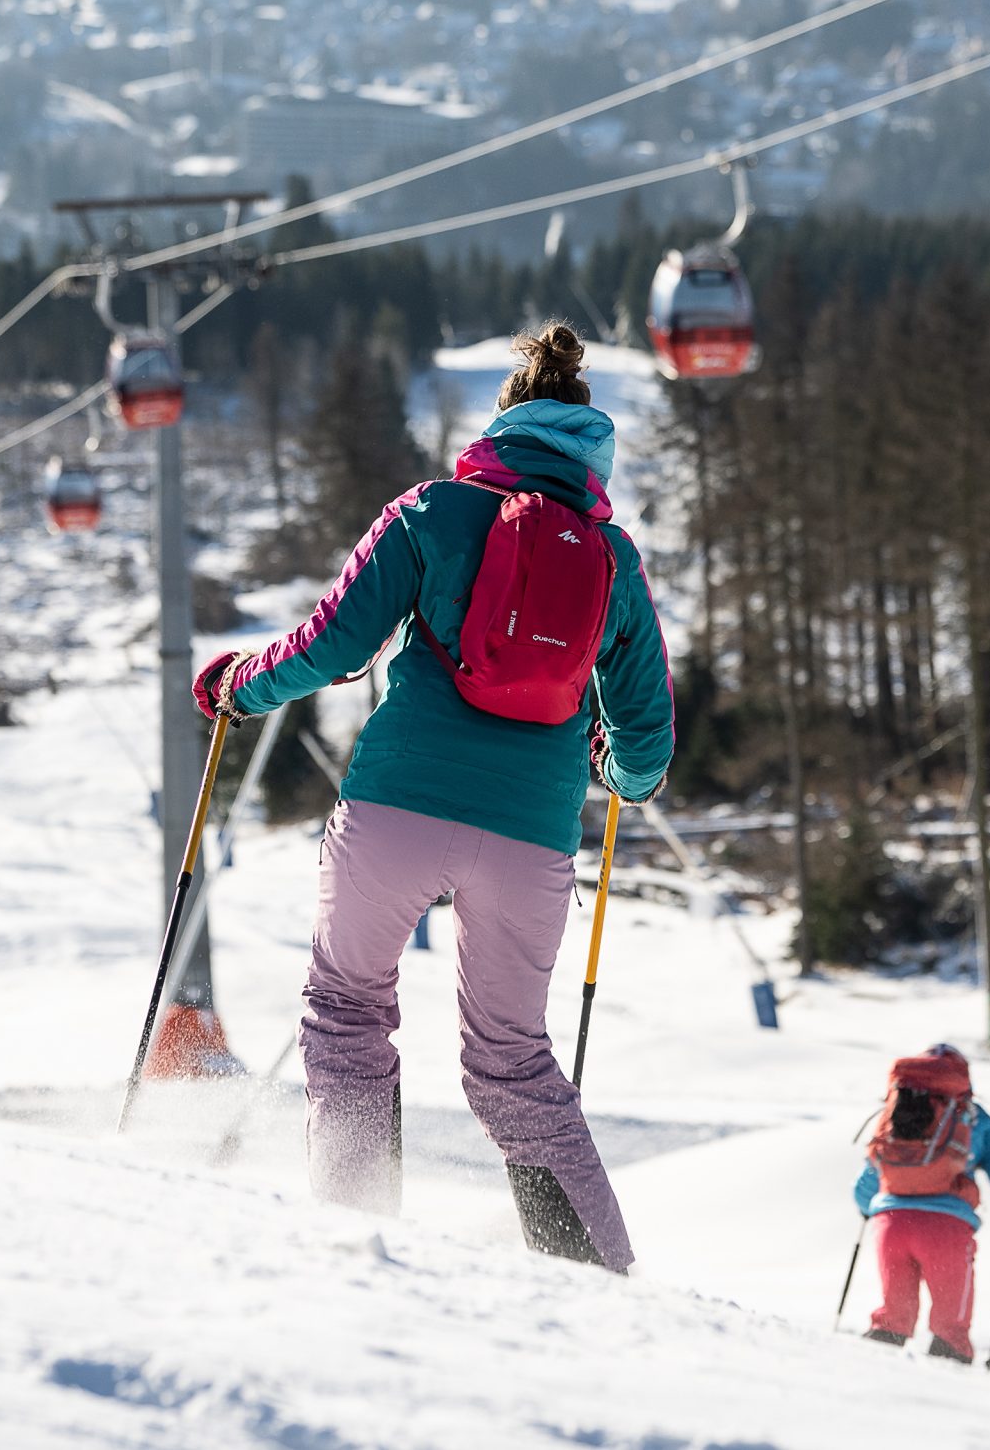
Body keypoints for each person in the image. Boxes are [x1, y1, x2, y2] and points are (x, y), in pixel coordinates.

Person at [192, 324, 675, 1272]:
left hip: (396, 810)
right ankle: (605, 1282)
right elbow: (646, 745)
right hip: (531, 841)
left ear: (502, 424)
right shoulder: (612, 559)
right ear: (592, 450)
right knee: (513, 1062)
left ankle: (357, 1232)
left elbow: (332, 646)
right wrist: (612, 774)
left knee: (346, 1014)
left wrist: (238, 685)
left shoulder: (431, 511)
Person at [852, 1044, 990, 1362]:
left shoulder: (896, 1109)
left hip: (891, 1224)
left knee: (890, 1324)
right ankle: (949, 1405)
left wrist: (868, 1210)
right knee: (951, 1335)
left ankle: (867, 1394)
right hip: (946, 1231)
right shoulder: (972, 1116)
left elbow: (870, 1174)